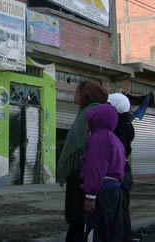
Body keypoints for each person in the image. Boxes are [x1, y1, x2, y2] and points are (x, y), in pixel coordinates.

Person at [57, 81, 109, 242]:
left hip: (83, 177)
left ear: (85, 94)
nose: (74, 94)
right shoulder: (85, 113)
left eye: (76, 91)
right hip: (79, 175)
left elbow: (93, 152)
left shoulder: (91, 114)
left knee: (79, 220)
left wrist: (90, 193)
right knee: (76, 220)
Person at [81, 104, 125, 242]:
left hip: (102, 193)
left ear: (97, 120)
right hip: (115, 192)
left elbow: (95, 167)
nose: (86, 124)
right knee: (112, 231)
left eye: (88, 120)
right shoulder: (116, 140)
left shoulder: (97, 139)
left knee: (97, 231)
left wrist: (90, 195)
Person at [108, 93, 135, 242]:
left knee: (118, 211)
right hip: (124, 170)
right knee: (123, 209)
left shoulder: (115, 126)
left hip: (116, 172)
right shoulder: (127, 124)